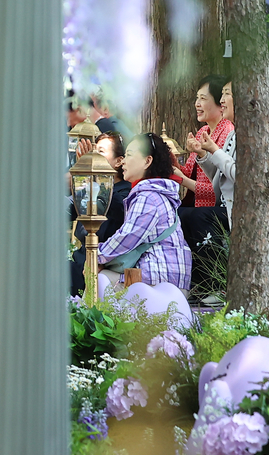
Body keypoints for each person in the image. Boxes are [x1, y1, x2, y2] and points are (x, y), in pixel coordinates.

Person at [97, 133, 192, 295]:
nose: (124, 162)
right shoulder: (155, 193)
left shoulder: (148, 197)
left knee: (99, 279)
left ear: (147, 161)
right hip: (166, 280)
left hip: (161, 282)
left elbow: (126, 237)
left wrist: (96, 256)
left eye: (129, 155)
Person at [192, 82, 269, 226]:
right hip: (233, 211)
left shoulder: (258, 135)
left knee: (191, 217)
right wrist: (203, 154)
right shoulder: (233, 134)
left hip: (256, 220)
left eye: (227, 94)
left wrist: (215, 151)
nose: (221, 100)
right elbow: (221, 176)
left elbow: (245, 177)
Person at [70, 131, 130, 296]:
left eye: (101, 152)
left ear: (119, 161)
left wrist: (97, 174)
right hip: (80, 258)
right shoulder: (93, 185)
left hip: (99, 266)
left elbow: (119, 212)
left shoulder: (125, 193)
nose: (94, 156)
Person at [173, 74, 232, 206]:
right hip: (199, 207)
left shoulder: (228, 132)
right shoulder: (203, 132)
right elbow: (188, 172)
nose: (197, 104)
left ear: (220, 103)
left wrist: (183, 180)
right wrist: (170, 158)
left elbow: (218, 189)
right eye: (197, 98)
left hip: (214, 212)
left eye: (203, 99)